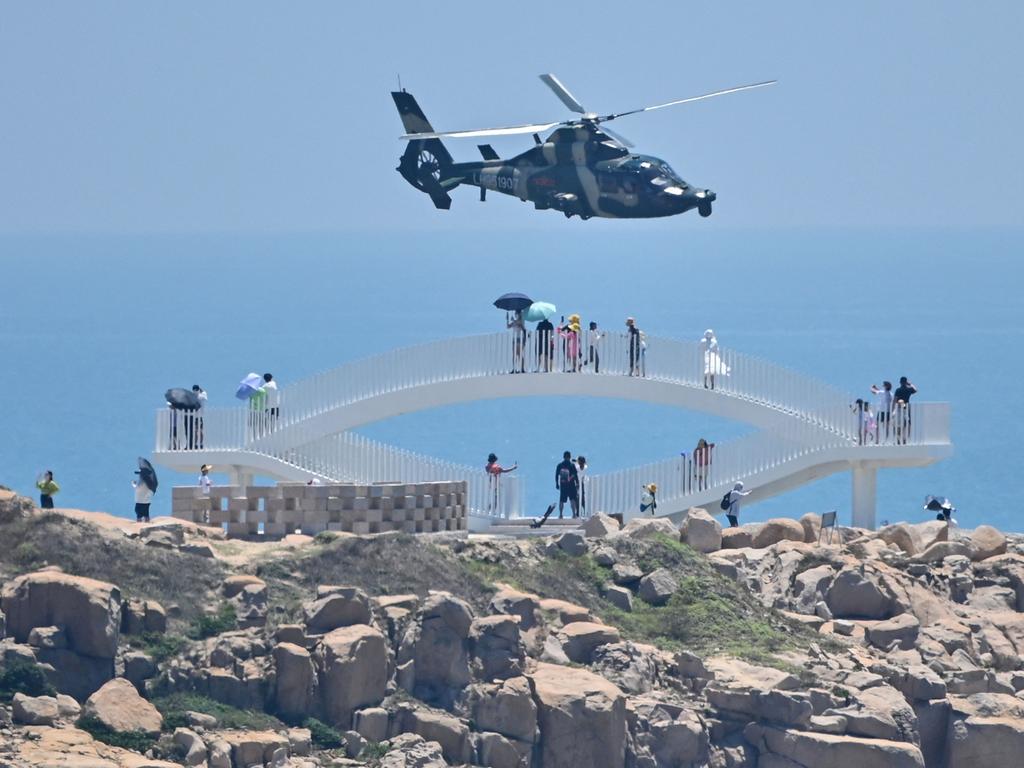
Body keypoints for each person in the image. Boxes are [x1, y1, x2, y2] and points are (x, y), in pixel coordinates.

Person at [555, 450, 579, 518]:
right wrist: (577, 483)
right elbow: (575, 475)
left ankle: (560, 514)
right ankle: (574, 514)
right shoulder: (572, 465)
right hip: (571, 485)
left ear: (563, 457)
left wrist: (557, 484)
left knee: (561, 500)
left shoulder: (559, 465)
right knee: (572, 499)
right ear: (570, 457)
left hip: (563, 485)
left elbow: (556, 475)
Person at [893, 376, 917, 443]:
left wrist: (892, 409)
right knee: (906, 423)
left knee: (897, 424)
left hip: (898, 407)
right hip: (906, 407)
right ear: (906, 382)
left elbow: (894, 400)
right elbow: (915, 390)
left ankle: (898, 437)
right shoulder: (909, 389)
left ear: (900, 382)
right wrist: (910, 384)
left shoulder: (898, 390)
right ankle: (904, 438)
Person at [186, 384, 207, 449]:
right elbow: (204, 392)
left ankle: (195, 444)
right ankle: (200, 444)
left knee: (195, 431)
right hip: (200, 416)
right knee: (199, 430)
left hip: (194, 416)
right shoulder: (202, 395)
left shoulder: (192, 396)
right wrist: (201, 389)